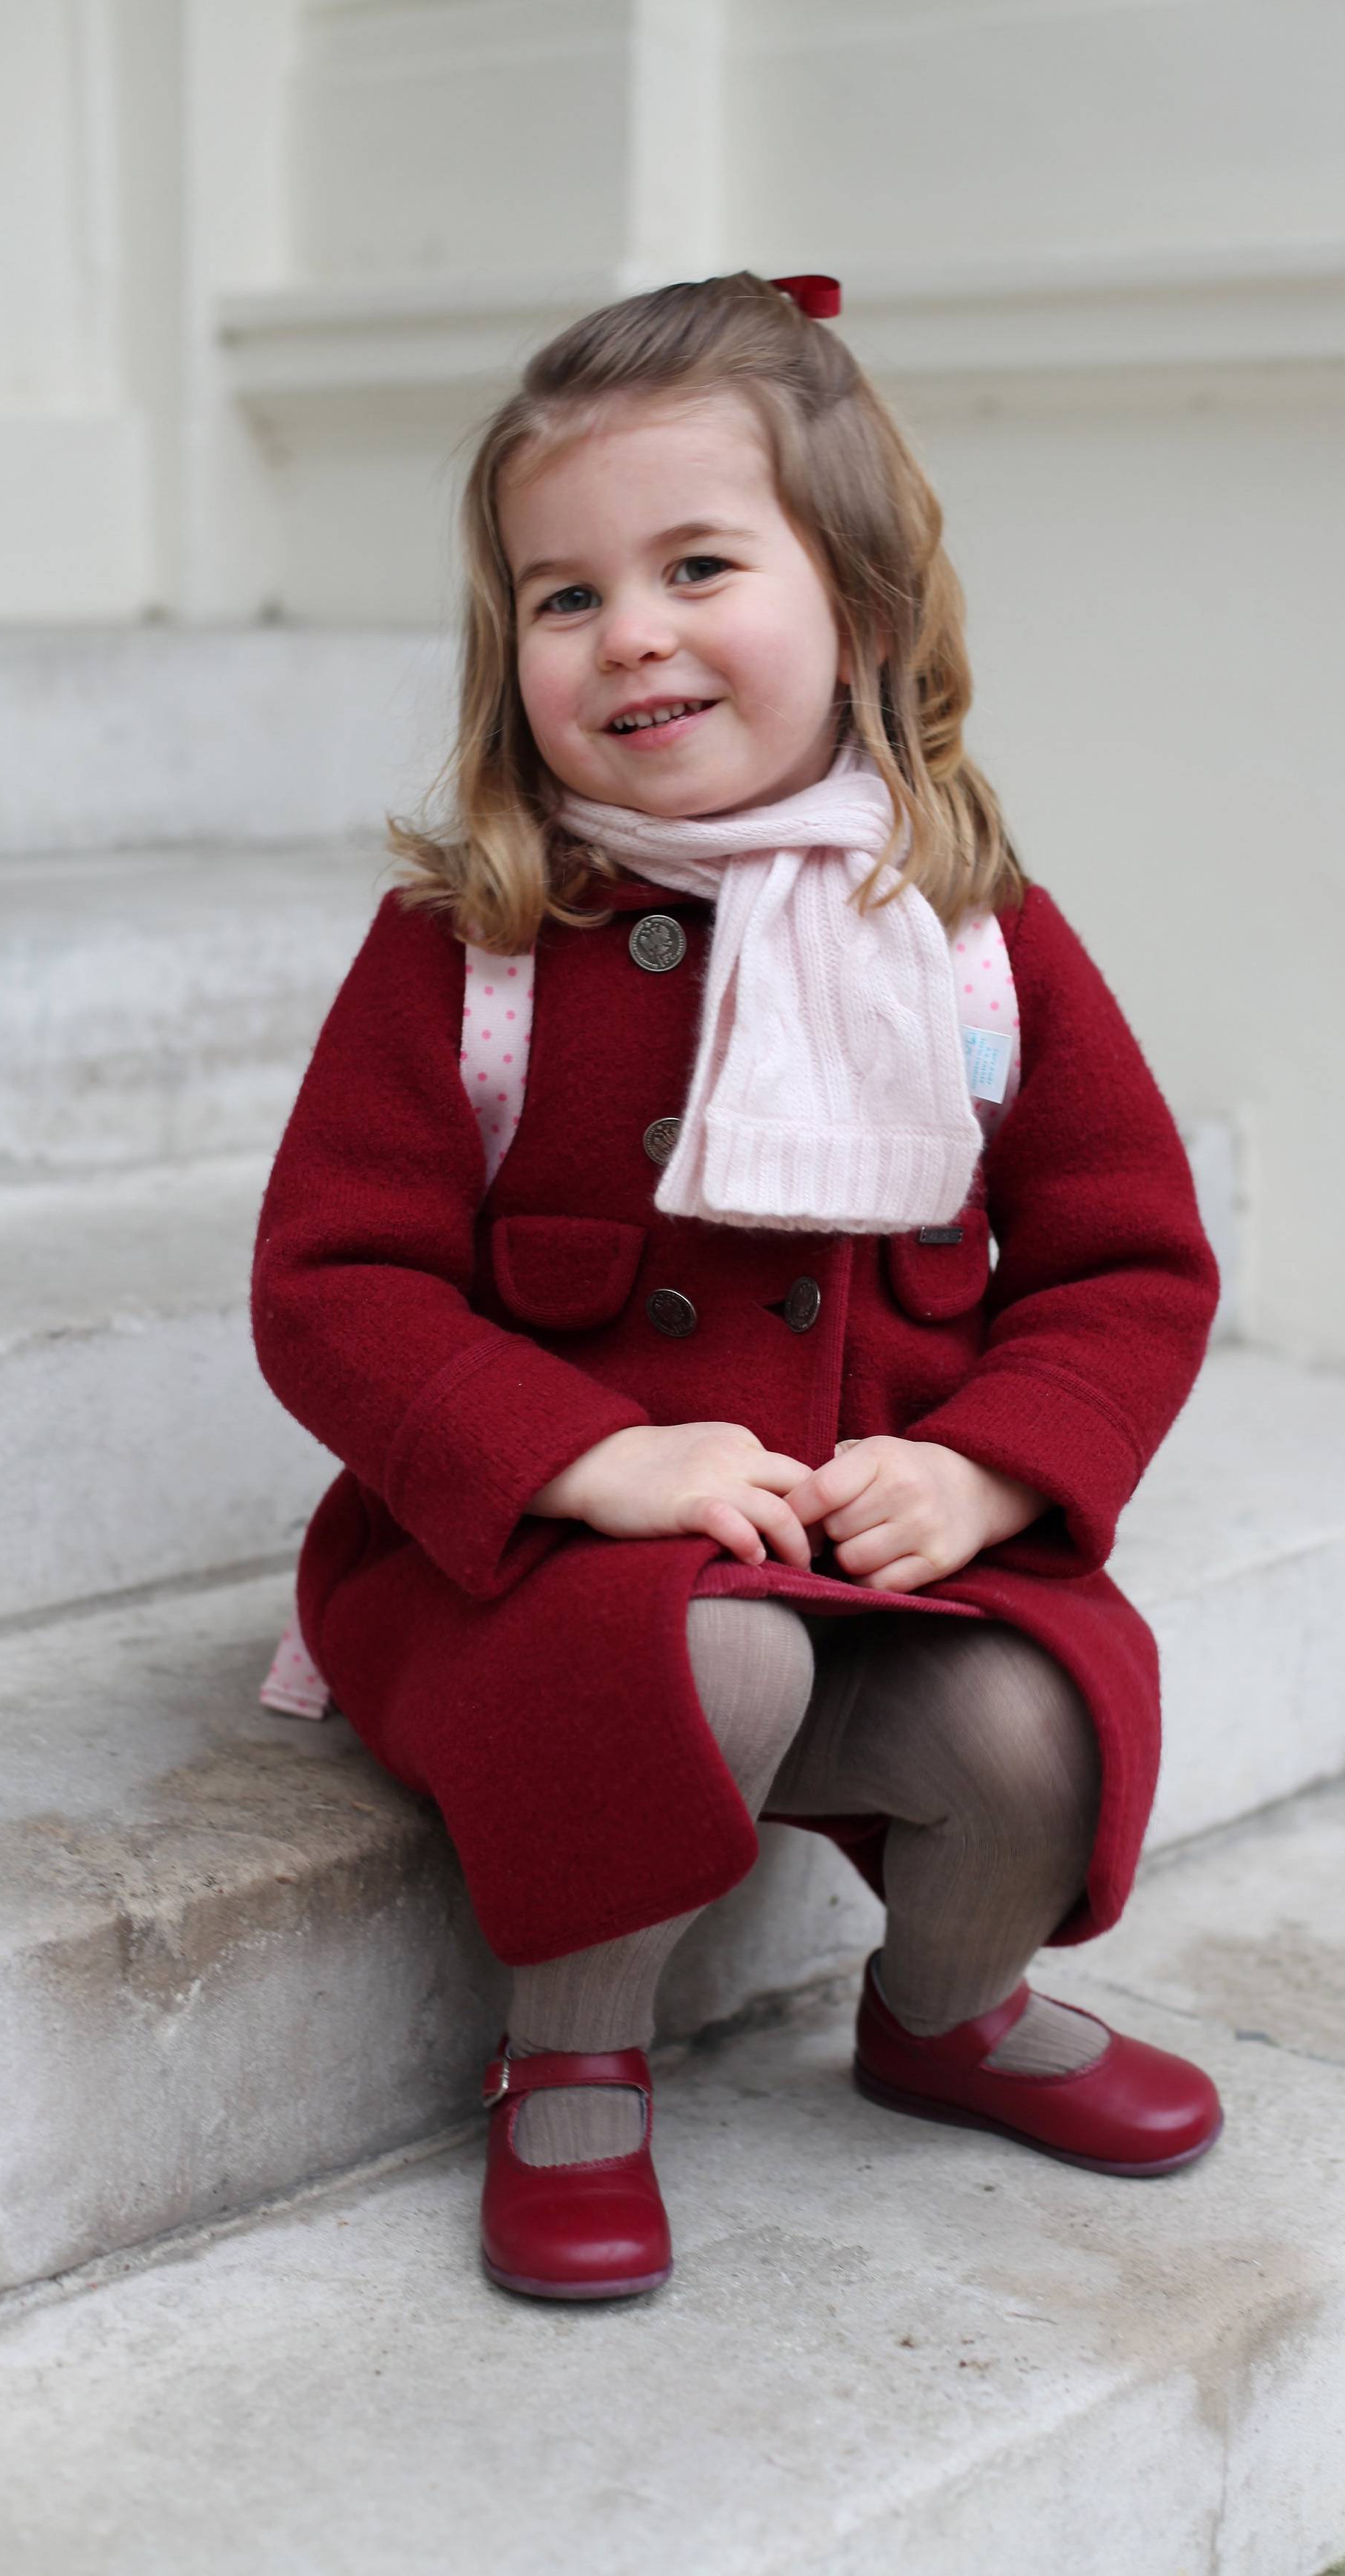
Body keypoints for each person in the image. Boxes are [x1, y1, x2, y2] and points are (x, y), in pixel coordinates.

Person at [251, 270, 1223, 2305]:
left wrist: (984, 1476)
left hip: (874, 1552)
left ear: (855, 605)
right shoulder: (480, 950)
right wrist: (586, 1457)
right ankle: (574, 2048)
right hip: (550, 1573)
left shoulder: (964, 932)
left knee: (1040, 1713)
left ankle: (946, 2009)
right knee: (716, 1664)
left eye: (698, 562)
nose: (633, 633)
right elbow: (335, 1283)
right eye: (564, 593)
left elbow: (1130, 1258)